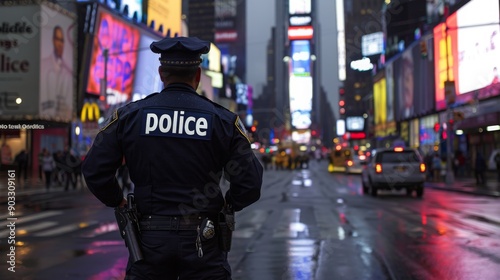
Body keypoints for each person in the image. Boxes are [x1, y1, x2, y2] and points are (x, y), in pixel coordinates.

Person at [82, 36, 263, 279]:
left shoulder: (130, 116)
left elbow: (94, 169)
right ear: (198, 76)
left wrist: (117, 200)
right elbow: (250, 183)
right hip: (204, 240)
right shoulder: (223, 121)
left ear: (161, 73)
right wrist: (227, 205)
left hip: (148, 241)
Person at [39, 25, 72, 120]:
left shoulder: (68, 72)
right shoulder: (43, 65)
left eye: (62, 40)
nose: (60, 44)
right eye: (58, 40)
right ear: (53, 41)